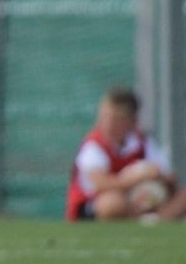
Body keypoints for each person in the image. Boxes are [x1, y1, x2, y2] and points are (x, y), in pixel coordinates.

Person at [66, 86, 186, 222]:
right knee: (112, 203)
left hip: (140, 200)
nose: (107, 123)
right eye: (104, 116)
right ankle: (147, 219)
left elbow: (169, 176)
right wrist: (135, 178)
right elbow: (100, 184)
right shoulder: (94, 145)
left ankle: (154, 220)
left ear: (131, 122)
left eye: (115, 119)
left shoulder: (143, 143)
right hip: (94, 204)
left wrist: (158, 177)